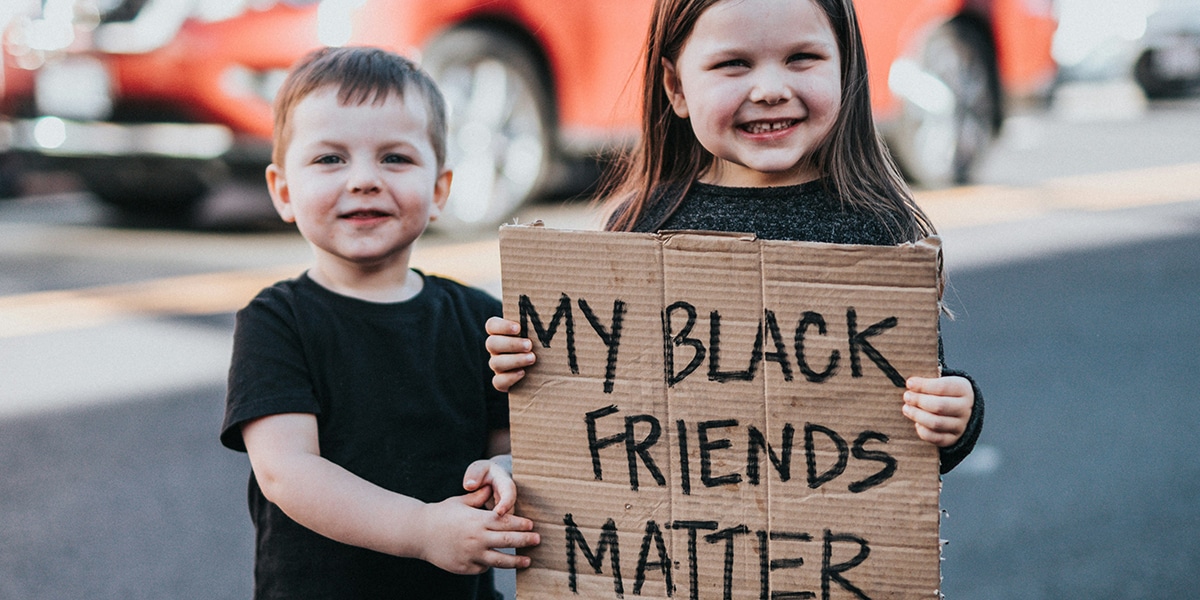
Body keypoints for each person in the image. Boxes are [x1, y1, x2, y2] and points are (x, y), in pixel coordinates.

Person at [486, 0, 982, 473]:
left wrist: (954, 416)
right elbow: (602, 413)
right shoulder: (640, 226)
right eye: (734, 64)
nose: (769, 89)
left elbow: (906, 426)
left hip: (827, 559)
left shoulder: (876, 230)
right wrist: (534, 372)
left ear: (844, 67)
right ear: (675, 87)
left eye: (802, 58)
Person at [220, 46, 539, 599]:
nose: (364, 179)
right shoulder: (277, 321)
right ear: (284, 191)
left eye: (395, 158)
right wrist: (421, 530)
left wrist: (504, 472)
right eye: (330, 160)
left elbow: (512, 446)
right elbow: (286, 472)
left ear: (439, 190)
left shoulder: (479, 318)